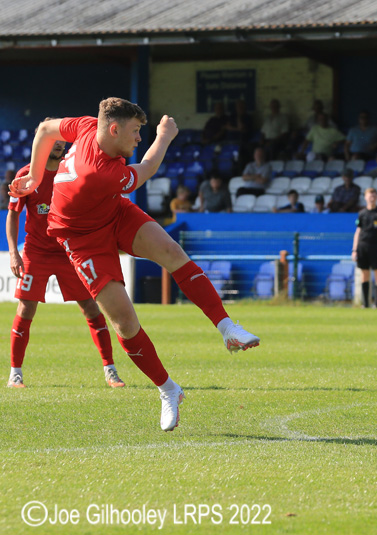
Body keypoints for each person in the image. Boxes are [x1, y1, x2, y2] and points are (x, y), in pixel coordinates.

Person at [10, 97, 260, 431]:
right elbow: (147, 169)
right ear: (113, 129)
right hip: (81, 240)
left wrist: (34, 177)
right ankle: (168, 390)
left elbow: (44, 129)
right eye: (136, 131)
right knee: (125, 323)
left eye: (143, 131)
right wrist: (165, 136)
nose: (139, 138)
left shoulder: (86, 125)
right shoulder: (100, 172)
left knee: (173, 253)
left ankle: (228, 328)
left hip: (113, 212)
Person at [6, 135, 123, 389]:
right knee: (26, 309)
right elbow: (13, 216)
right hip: (36, 253)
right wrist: (14, 252)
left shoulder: (71, 170)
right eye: (54, 140)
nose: (59, 144)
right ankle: (15, 373)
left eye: (62, 141)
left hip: (69, 251)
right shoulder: (27, 174)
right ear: (42, 142)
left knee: (91, 308)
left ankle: (110, 370)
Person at [352, 188, 377, 309]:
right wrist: (354, 250)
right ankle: (365, 303)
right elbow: (357, 231)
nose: (372, 197)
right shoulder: (362, 213)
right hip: (363, 246)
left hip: (376, 246)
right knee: (364, 274)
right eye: (370, 195)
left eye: (374, 195)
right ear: (365, 197)